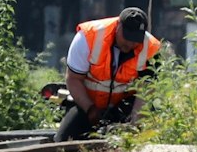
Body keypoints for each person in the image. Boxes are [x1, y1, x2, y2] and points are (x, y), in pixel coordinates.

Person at [55, 7, 162, 141]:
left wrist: (134, 125)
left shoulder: (151, 48)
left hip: (124, 107)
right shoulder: (88, 37)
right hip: (87, 104)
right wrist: (90, 108)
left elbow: (146, 91)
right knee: (63, 141)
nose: (130, 43)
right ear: (118, 26)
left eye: (135, 39)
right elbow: (73, 79)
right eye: (127, 37)